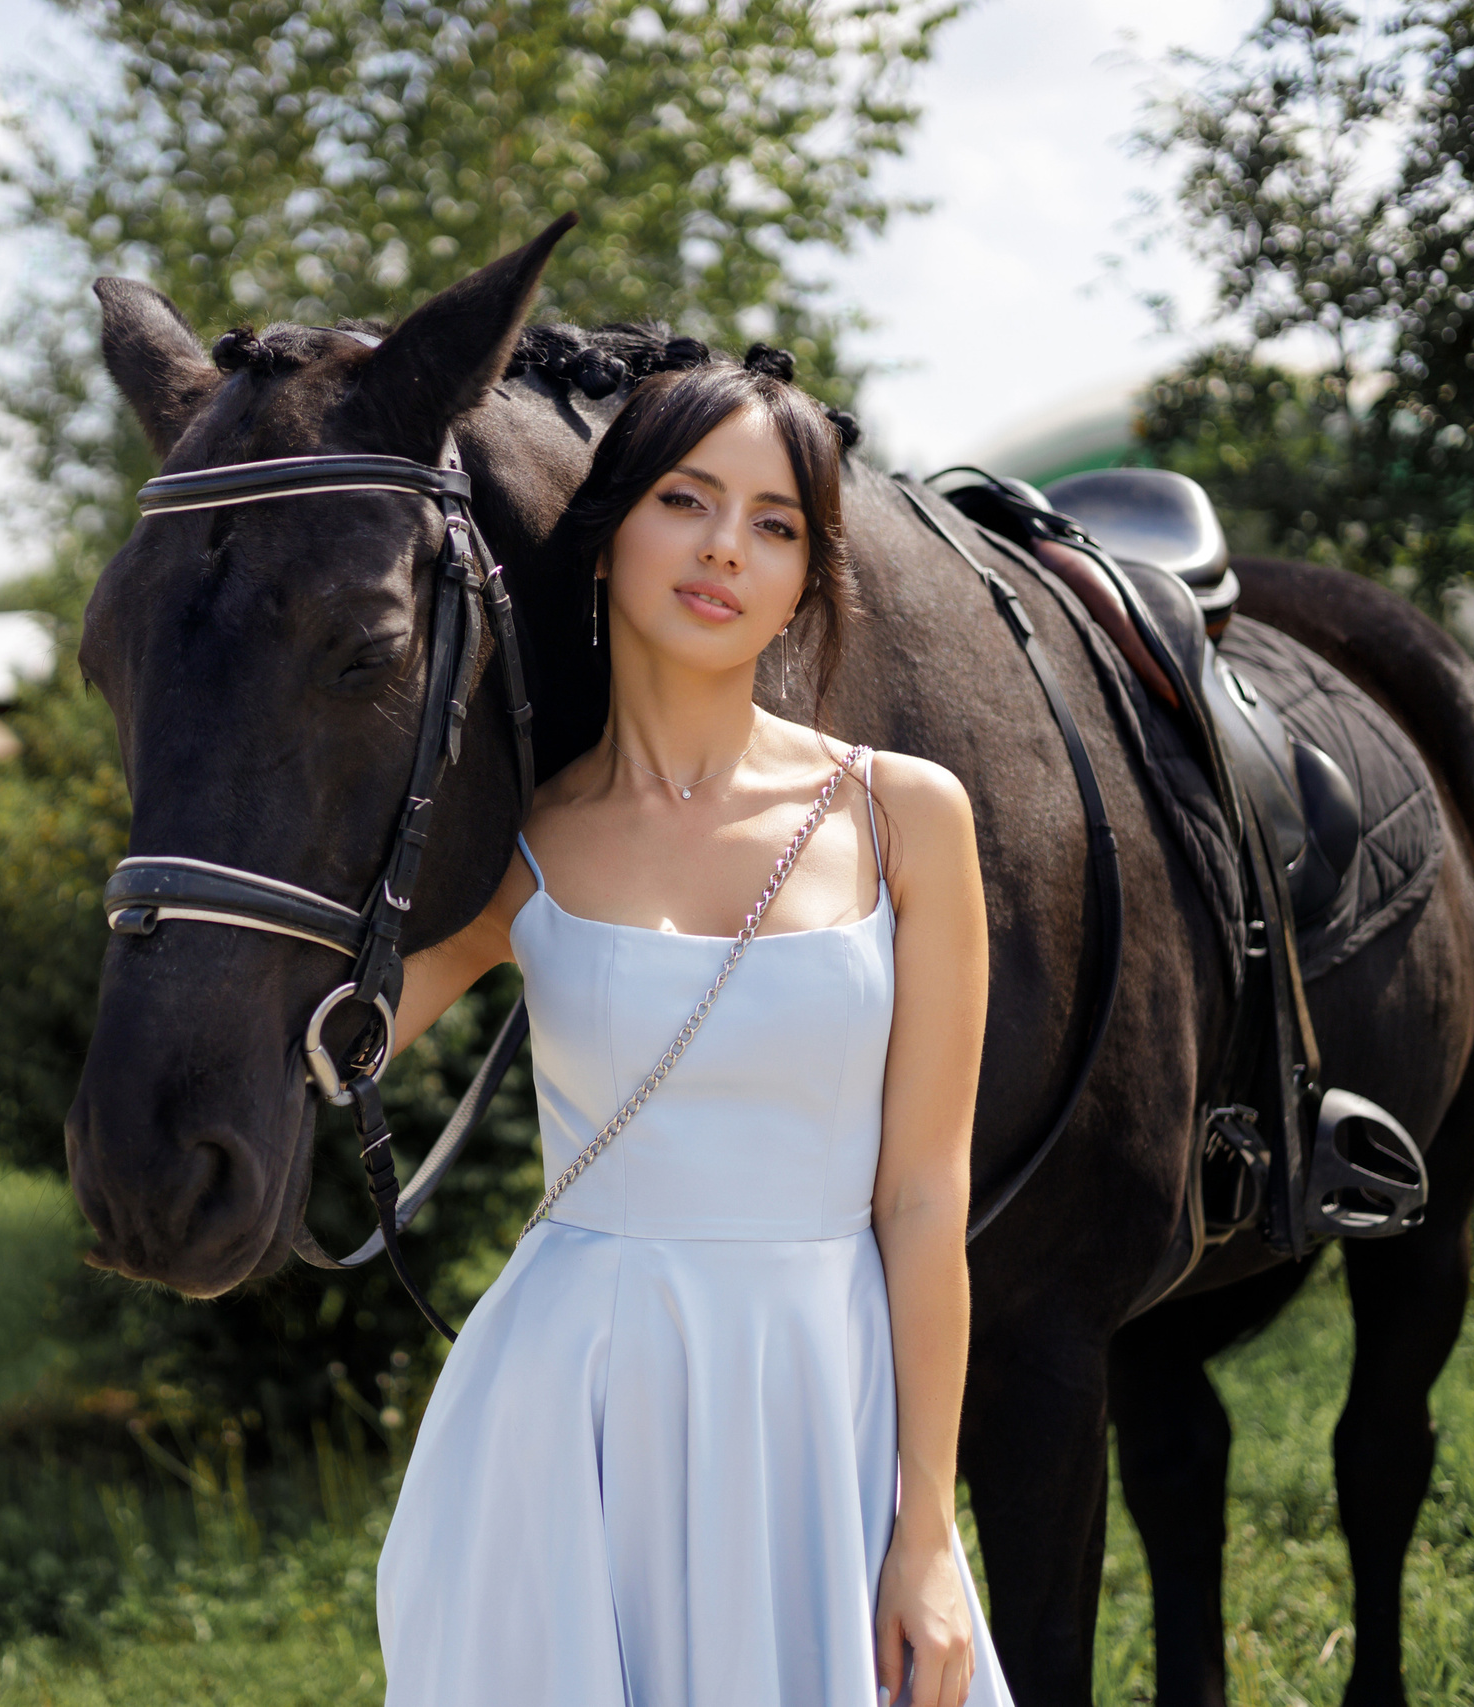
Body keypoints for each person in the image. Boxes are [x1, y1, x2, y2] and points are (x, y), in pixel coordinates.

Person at [374, 345, 1011, 1707]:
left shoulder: (905, 814)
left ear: (804, 582)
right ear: (604, 540)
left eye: (775, 524)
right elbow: (330, 1047)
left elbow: (922, 1194)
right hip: (569, 1414)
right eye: (686, 499)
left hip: (815, 1400)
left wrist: (927, 1528)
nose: (727, 548)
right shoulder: (521, 845)